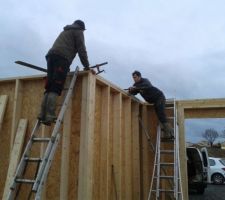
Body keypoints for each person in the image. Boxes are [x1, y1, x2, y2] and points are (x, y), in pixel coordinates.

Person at [38, 19, 94, 125]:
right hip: (61, 58)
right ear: (82, 28)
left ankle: (42, 114)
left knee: (49, 86)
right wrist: (87, 66)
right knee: (55, 87)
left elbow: (66, 47)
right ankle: (49, 115)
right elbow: (82, 49)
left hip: (51, 56)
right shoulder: (78, 31)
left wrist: (66, 66)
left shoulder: (66, 31)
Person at [128, 70, 174, 139]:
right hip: (155, 101)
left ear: (139, 76)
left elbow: (147, 86)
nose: (134, 79)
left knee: (161, 114)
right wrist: (130, 90)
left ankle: (170, 132)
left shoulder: (145, 81)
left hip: (159, 97)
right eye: (133, 78)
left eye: (135, 77)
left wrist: (135, 88)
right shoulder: (136, 85)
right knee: (159, 115)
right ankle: (168, 132)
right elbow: (133, 93)